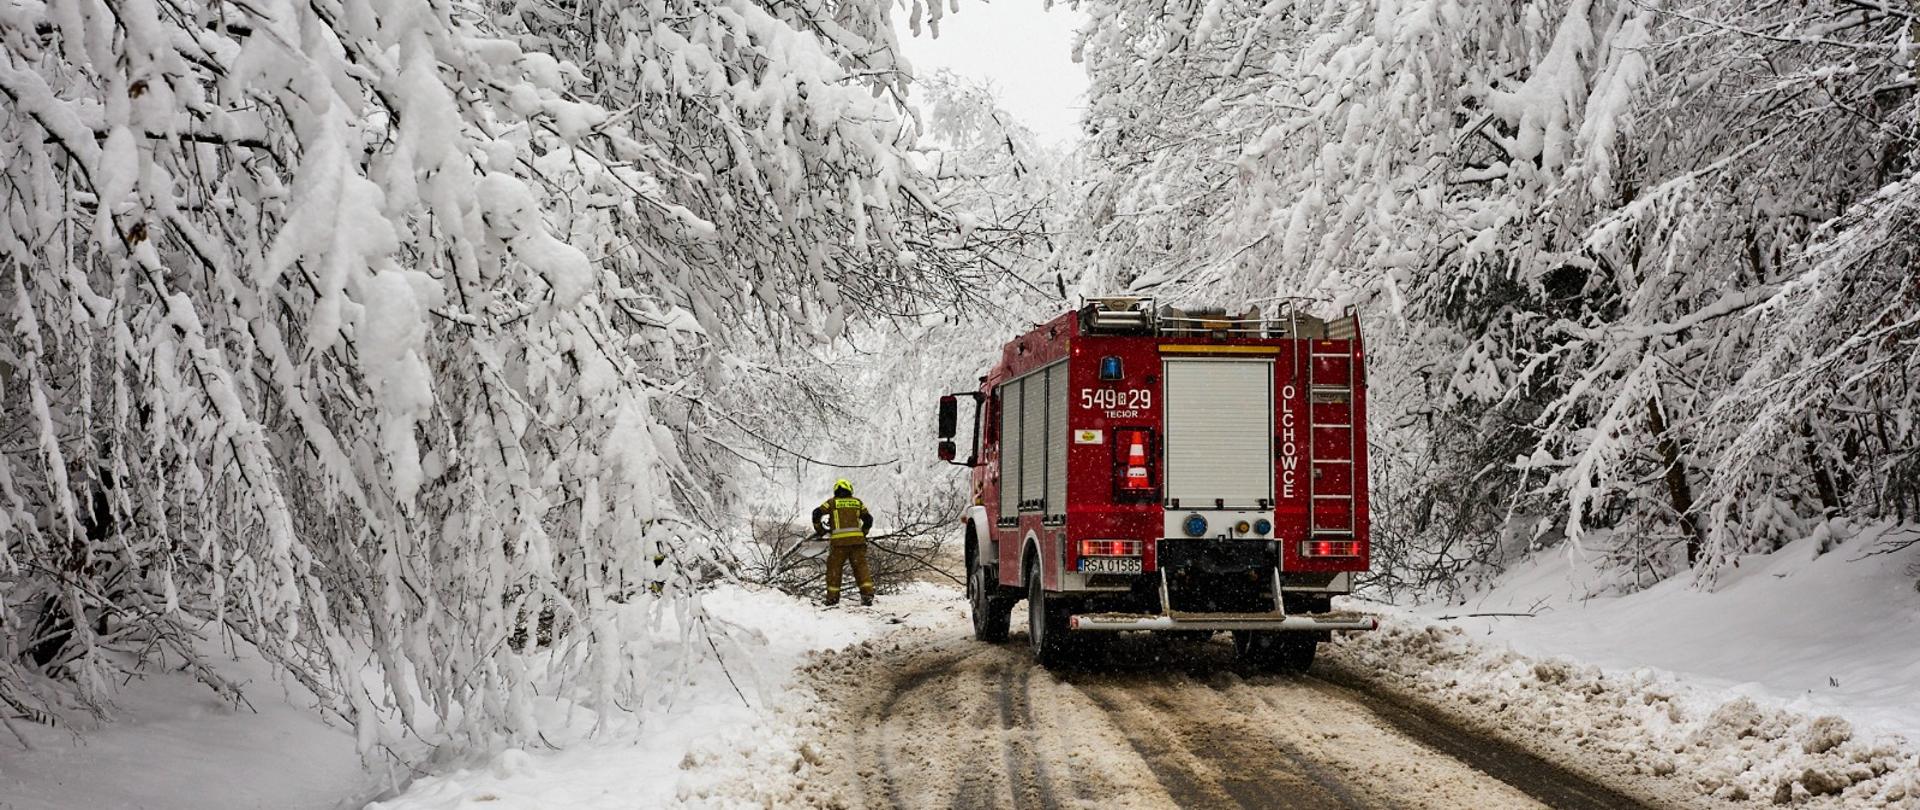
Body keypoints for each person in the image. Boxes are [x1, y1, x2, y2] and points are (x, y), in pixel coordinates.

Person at [812, 479, 875, 606]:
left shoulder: (832, 503)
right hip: (857, 543)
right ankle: (867, 595)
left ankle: (832, 598)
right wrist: (863, 533)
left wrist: (820, 530)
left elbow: (816, 513)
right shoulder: (857, 502)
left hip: (839, 544)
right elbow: (868, 519)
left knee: (834, 570)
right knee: (861, 568)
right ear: (849, 490)